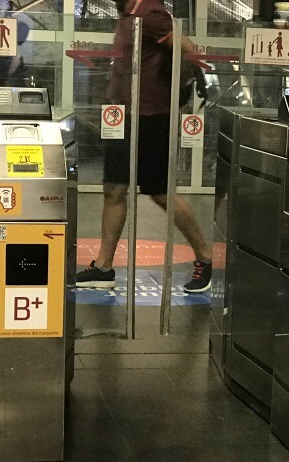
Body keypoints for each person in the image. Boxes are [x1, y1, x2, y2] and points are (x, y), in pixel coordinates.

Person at [76, 0, 212, 293]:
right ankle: (103, 267)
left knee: (160, 192)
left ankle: (204, 257)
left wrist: (177, 86)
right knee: (113, 188)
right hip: (123, 117)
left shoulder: (150, 12)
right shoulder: (128, 12)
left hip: (151, 118)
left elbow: (189, 50)